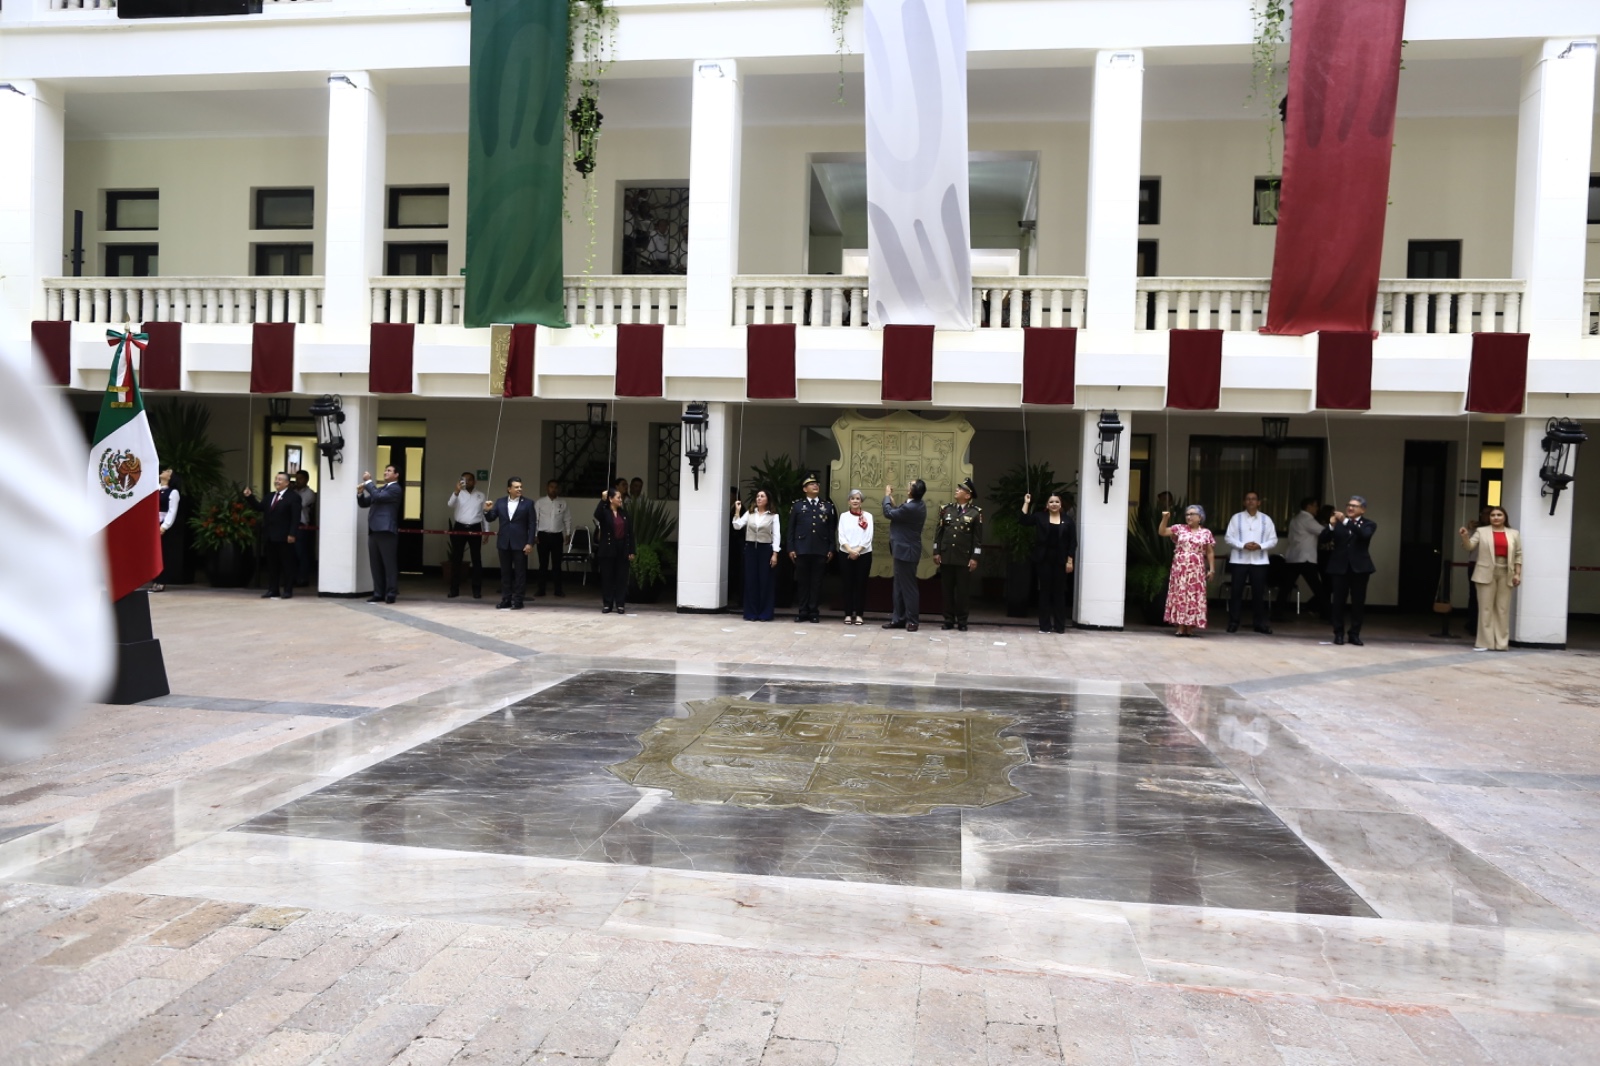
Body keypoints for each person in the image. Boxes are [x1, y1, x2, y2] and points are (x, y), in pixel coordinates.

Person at [1459, 507, 1522, 652]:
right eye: (1493, 515)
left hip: (1506, 572)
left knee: (1502, 609)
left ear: (1505, 517)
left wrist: (1517, 573)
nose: (1496, 517)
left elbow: (1518, 554)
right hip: (1485, 572)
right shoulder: (1482, 531)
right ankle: (1484, 643)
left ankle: (1501, 643)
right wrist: (1465, 536)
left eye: (1499, 515)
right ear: (1489, 518)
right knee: (1485, 608)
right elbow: (1469, 546)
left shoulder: (1514, 533)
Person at [1323, 495, 1377, 646]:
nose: (1350, 508)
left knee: (1358, 602)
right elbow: (1323, 539)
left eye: (1354, 506)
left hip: (1360, 568)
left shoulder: (1369, 524)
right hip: (1339, 567)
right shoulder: (1338, 523)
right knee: (1338, 602)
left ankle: (1354, 634)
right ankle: (1338, 633)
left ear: (1363, 510)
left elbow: (1363, 535)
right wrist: (1331, 525)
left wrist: (1346, 521)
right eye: (1348, 505)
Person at [1021, 491, 1076, 634]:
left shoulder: (1068, 521)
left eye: (1057, 502)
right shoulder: (1040, 517)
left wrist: (1070, 561)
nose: (1054, 504)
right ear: (1047, 505)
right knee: (1044, 592)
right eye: (1051, 502)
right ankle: (1044, 626)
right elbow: (1024, 520)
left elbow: (1072, 542)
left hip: (1061, 561)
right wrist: (1026, 502)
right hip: (1043, 560)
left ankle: (1059, 626)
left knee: (1059, 593)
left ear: (1061, 504)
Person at [933, 477, 984, 632]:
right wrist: (936, 551)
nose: (957, 490)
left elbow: (977, 539)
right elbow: (939, 533)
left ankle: (962, 621)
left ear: (968, 495)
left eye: (960, 489)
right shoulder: (946, 509)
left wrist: (975, 557)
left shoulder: (975, 513)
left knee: (962, 592)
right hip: (947, 556)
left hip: (964, 558)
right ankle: (948, 620)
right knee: (947, 591)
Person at [1224, 490, 1277, 634]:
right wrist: (1243, 545)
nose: (1251, 501)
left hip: (1260, 561)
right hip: (1239, 560)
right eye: (1248, 499)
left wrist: (1260, 546)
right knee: (1236, 592)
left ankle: (1259, 624)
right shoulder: (1236, 518)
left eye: (1254, 499)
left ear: (1259, 502)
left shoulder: (1266, 519)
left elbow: (1273, 540)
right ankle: (1234, 622)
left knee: (1258, 593)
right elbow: (1228, 537)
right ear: (1244, 502)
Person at [243, 472, 301, 599]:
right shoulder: (270, 496)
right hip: (270, 536)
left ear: (287, 483)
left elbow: (295, 517)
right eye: (276, 479)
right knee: (272, 565)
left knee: (287, 564)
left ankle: (287, 590)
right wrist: (249, 497)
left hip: (285, 537)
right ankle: (273, 589)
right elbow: (259, 507)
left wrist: (292, 534)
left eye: (280, 479)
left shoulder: (293, 497)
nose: (277, 481)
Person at [1161, 505, 1216, 636]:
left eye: (1192, 514)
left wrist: (1212, 569)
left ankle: (1190, 627)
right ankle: (1180, 626)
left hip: (1196, 570)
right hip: (1180, 568)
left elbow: (1209, 552)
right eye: (1187, 514)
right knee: (1180, 595)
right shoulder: (1179, 528)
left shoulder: (1206, 533)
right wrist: (1165, 518)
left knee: (1194, 596)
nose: (1189, 517)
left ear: (1200, 517)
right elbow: (1162, 532)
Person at [788, 475, 836, 623]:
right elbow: (791, 529)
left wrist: (831, 548)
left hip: (820, 549)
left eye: (817, 484)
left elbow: (831, 529)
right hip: (801, 548)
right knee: (803, 582)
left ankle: (814, 611)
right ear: (805, 489)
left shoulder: (827, 506)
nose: (815, 486)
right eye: (811, 484)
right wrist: (791, 548)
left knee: (816, 582)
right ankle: (803, 611)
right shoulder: (797, 506)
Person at [483, 477, 534, 610]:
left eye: (520, 487)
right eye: (516, 487)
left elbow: (532, 524)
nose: (519, 489)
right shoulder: (500, 502)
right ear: (509, 489)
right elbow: (491, 518)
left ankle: (518, 600)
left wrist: (530, 543)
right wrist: (487, 510)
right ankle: (506, 599)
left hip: (520, 543)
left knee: (520, 573)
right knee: (505, 573)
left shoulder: (528, 503)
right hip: (504, 542)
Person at [882, 480, 926, 632]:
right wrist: (894, 505)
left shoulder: (911, 507)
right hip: (903, 550)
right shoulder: (917, 504)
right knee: (899, 587)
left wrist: (886, 497)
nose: (908, 485)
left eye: (910, 485)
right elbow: (900, 515)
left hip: (907, 551)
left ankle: (912, 620)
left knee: (908, 587)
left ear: (911, 492)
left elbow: (888, 513)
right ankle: (899, 619)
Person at [732, 490, 781, 621]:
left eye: (762, 496)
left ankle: (765, 613)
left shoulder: (773, 516)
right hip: (751, 549)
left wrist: (775, 554)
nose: (759, 498)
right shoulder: (750, 513)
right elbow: (737, 526)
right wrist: (737, 511)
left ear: (767, 499)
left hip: (765, 549)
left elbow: (776, 535)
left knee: (765, 581)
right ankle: (751, 613)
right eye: (758, 496)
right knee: (751, 580)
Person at [357, 465, 403, 603]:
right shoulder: (382, 489)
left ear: (396, 475)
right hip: (374, 530)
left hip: (386, 530)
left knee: (389, 564)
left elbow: (377, 496)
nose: (385, 472)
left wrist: (368, 482)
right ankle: (378, 593)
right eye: (385, 470)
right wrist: (360, 494)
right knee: (375, 564)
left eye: (389, 471)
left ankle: (391, 593)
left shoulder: (395, 489)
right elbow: (364, 503)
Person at [594, 488, 636, 614]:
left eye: (621, 497)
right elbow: (597, 514)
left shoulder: (624, 514)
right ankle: (607, 604)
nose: (621, 500)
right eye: (618, 498)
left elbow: (630, 533)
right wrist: (603, 500)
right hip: (608, 548)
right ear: (611, 499)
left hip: (622, 548)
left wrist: (631, 550)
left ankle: (620, 604)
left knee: (621, 577)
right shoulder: (605, 512)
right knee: (607, 577)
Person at [446, 471, 486, 600]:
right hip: (460, 527)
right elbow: (450, 504)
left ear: (474, 482)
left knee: (476, 559)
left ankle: (477, 590)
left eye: (470, 480)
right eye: (465, 479)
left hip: (475, 527)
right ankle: (454, 589)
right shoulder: (458, 494)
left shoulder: (481, 495)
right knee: (456, 559)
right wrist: (456, 491)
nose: (467, 482)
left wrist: (486, 531)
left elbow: (484, 514)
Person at [1281, 496, 1323, 618]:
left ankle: (1277, 613)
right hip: (1305, 558)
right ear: (1309, 507)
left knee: (1286, 587)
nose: (1317, 508)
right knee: (1317, 588)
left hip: (1293, 557)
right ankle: (1328, 614)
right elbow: (1323, 531)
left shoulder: (1295, 518)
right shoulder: (1307, 519)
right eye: (1315, 506)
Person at [837, 489, 874, 626]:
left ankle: (859, 614)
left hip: (863, 554)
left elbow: (868, 536)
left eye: (858, 498)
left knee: (861, 585)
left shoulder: (868, 516)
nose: (855, 501)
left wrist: (857, 550)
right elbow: (841, 535)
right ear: (848, 501)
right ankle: (847, 614)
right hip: (845, 553)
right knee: (847, 584)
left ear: (861, 501)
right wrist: (849, 550)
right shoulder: (844, 516)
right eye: (852, 498)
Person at [534, 480, 573, 598]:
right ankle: (541, 589)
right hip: (543, 536)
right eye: (551, 487)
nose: (554, 489)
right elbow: (535, 520)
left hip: (557, 536)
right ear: (547, 488)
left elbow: (567, 519)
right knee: (543, 564)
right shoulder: (540, 502)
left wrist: (568, 533)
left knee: (557, 565)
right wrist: (534, 535)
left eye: (556, 487)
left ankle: (558, 590)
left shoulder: (563, 503)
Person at [152, 467, 180, 592]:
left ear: (170, 478)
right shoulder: (155, 489)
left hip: (161, 525)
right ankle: (154, 579)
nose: (164, 472)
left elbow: (172, 511)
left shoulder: (173, 492)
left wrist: (164, 526)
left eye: (168, 472)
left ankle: (161, 580)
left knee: (162, 554)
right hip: (152, 524)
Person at [292, 470, 316, 588]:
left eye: (300, 478)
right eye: (296, 478)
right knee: (291, 554)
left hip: (302, 525)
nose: (298, 481)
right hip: (291, 525)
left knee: (301, 553)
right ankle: (292, 578)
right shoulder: (293, 492)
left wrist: (291, 493)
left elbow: (299, 504)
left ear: (306, 480)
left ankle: (303, 578)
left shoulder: (309, 493)